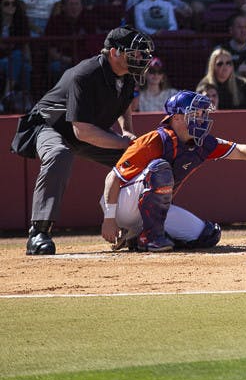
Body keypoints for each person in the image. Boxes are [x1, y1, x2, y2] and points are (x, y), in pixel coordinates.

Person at [11, 27, 154, 255]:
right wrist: (122, 143)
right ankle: (38, 233)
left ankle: (139, 228)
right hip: (50, 125)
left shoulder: (126, 75)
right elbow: (82, 132)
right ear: (114, 52)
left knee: (141, 161)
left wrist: (127, 131)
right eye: (134, 52)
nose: (141, 57)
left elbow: (124, 104)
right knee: (59, 154)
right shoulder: (85, 74)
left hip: (86, 128)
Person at [100, 90, 246, 252]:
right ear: (177, 118)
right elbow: (112, 177)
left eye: (203, 114)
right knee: (160, 169)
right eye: (195, 114)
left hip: (154, 211)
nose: (201, 118)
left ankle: (137, 237)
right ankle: (151, 238)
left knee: (207, 236)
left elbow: (238, 150)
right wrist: (109, 218)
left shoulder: (201, 143)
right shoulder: (154, 140)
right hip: (122, 206)